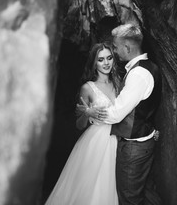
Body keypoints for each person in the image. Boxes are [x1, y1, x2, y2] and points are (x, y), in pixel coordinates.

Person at [93, 24, 162, 205]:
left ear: (128, 47)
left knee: (129, 199)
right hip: (143, 142)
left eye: (115, 47)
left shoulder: (138, 74)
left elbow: (116, 114)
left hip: (134, 148)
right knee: (145, 193)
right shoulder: (149, 67)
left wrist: (92, 113)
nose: (114, 52)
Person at [45, 42, 121, 205]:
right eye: (101, 60)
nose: (106, 63)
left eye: (109, 58)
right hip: (95, 142)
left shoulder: (118, 84)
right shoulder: (87, 88)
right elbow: (79, 125)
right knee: (90, 189)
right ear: (94, 63)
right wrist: (87, 113)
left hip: (117, 139)